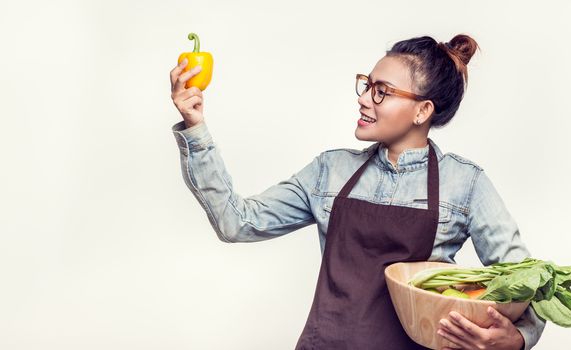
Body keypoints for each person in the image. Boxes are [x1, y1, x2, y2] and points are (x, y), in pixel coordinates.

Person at [169, 34, 546, 350]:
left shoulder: (465, 184)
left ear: (422, 111)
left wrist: (516, 338)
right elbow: (237, 223)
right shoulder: (330, 171)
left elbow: (526, 279)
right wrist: (196, 126)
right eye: (367, 85)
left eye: (382, 91)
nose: (364, 98)